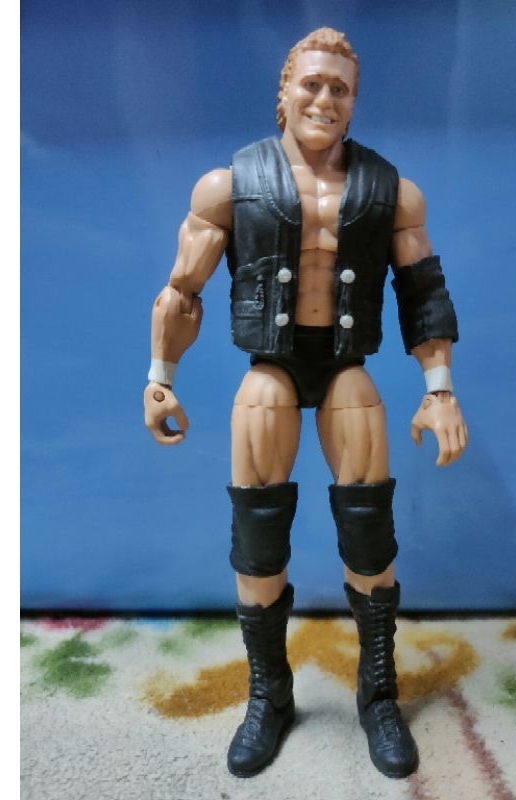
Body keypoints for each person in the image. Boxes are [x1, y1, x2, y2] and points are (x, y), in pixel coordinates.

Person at [143, 27, 468, 780]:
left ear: (355, 102)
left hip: (346, 367)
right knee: (257, 528)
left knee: (370, 530)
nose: (325, 98)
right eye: (312, 83)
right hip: (273, 368)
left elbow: (423, 294)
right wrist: (161, 375)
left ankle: (377, 693)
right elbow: (183, 289)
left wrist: (439, 390)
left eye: (340, 88)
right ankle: (270, 693)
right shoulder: (228, 186)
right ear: (284, 91)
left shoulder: (392, 193)